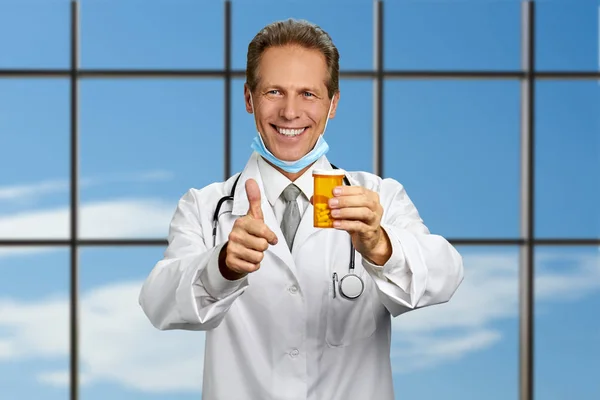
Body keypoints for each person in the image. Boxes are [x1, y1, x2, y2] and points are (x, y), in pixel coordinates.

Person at [139, 18, 464, 400]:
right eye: (274, 91)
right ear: (249, 99)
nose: (290, 112)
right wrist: (222, 265)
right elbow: (158, 302)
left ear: (333, 104)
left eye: (308, 94)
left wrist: (380, 246)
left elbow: (446, 275)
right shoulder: (206, 206)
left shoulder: (377, 196)